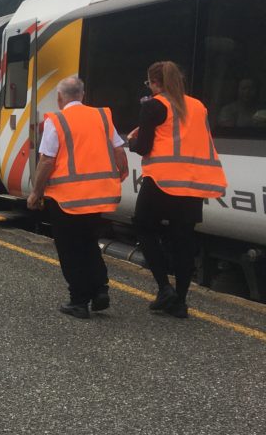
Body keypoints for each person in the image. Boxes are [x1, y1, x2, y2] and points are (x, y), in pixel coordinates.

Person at [127, 61, 227, 318]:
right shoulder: (198, 106)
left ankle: (164, 288)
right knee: (183, 241)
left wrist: (132, 140)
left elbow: (144, 147)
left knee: (143, 227)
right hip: (193, 184)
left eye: (149, 83)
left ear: (154, 83)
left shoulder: (153, 105)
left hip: (162, 182)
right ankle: (180, 302)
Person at [27, 77, 129, 319]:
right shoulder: (102, 117)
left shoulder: (57, 120)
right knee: (89, 242)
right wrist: (121, 173)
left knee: (70, 249)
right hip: (97, 197)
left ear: (60, 98)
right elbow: (118, 150)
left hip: (67, 200)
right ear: (82, 95)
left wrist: (36, 192)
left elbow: (47, 160)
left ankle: (79, 301)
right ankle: (100, 289)